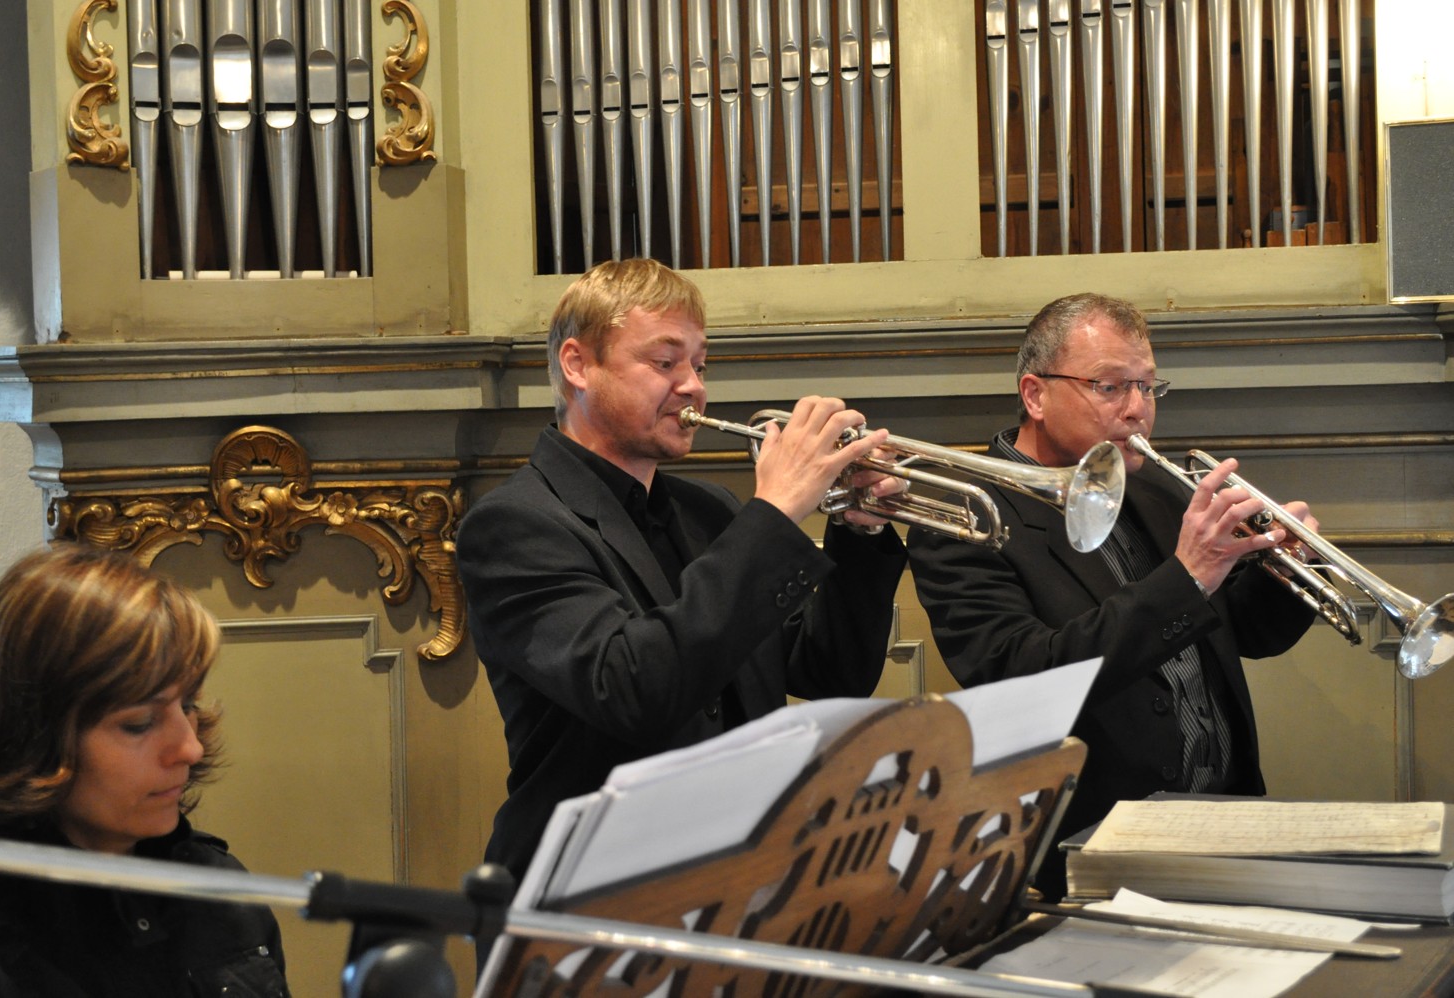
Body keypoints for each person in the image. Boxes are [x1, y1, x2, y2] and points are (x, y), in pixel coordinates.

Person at [456, 258, 908, 886]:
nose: (693, 385)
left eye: (700, 365)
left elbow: (832, 670)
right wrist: (774, 514)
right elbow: (635, 688)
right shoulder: (513, 525)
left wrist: (861, 531)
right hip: (595, 887)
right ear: (578, 365)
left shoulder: (711, 512)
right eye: (665, 362)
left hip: (740, 870)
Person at [906, 292, 1319, 898]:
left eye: (1148, 387)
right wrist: (1187, 577)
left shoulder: (1159, 491)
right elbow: (1025, 675)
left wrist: (1288, 571)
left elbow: (1249, 635)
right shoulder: (966, 513)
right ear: (1035, 395)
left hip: (1224, 820)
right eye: (1110, 387)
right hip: (1087, 847)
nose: (1137, 410)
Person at [0, 544, 291, 997]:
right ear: (31, 736)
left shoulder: (218, 889)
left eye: (188, 705)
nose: (190, 748)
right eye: (139, 723)